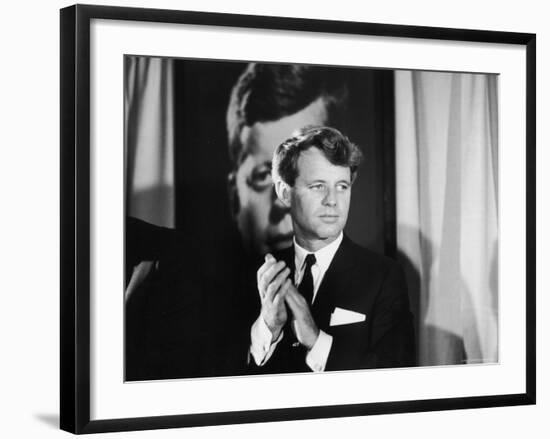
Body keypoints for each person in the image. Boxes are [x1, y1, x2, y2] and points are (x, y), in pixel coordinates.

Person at [249, 126, 415, 373]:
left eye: (342, 186)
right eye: (318, 186)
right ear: (285, 192)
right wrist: (268, 328)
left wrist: (317, 341)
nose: (332, 200)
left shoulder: (383, 277)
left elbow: (395, 379)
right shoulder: (258, 274)